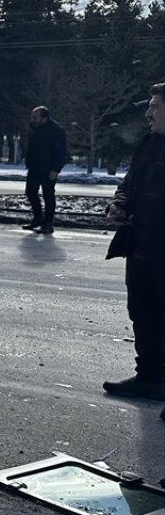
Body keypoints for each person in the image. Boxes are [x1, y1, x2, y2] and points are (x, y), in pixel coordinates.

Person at [103, 83, 165, 406]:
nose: (148, 113)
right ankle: (149, 379)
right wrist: (120, 204)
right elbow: (128, 183)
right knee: (142, 312)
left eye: (154, 106)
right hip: (141, 247)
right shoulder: (149, 144)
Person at [23, 106, 66, 234]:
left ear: (44, 118)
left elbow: (60, 152)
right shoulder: (34, 128)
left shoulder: (56, 130)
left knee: (48, 195)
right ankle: (37, 218)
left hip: (48, 168)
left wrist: (55, 169)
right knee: (30, 192)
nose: (32, 120)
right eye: (32, 117)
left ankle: (48, 223)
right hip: (34, 167)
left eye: (35, 117)